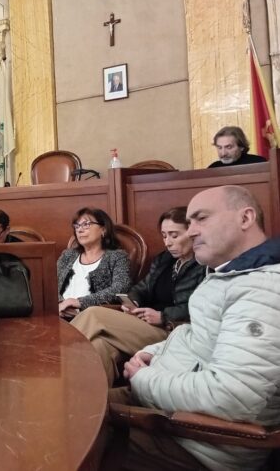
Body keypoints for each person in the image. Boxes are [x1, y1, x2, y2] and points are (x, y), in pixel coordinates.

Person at [115, 186, 280, 470]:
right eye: (189, 222)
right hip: (167, 408)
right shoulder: (228, 274)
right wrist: (154, 352)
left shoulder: (262, 290)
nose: (191, 232)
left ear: (245, 218)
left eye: (201, 218)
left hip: (198, 443)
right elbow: (195, 334)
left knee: (71, 429)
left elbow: (231, 396)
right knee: (69, 401)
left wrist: (144, 379)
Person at [71, 206, 205, 385]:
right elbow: (141, 288)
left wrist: (163, 316)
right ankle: (94, 400)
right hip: (144, 325)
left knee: (93, 314)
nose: (168, 242)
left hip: (174, 332)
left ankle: (53, 360)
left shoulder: (205, 265)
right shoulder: (164, 260)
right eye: (164, 236)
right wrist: (133, 301)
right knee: (99, 346)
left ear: (192, 233)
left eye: (174, 235)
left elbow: (203, 309)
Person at [57, 207, 130, 317]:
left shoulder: (117, 257)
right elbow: (50, 285)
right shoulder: (68, 255)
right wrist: (60, 305)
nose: (80, 230)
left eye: (86, 224)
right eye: (77, 226)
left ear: (103, 229)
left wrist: (80, 303)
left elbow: (120, 288)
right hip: (59, 314)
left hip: (94, 317)